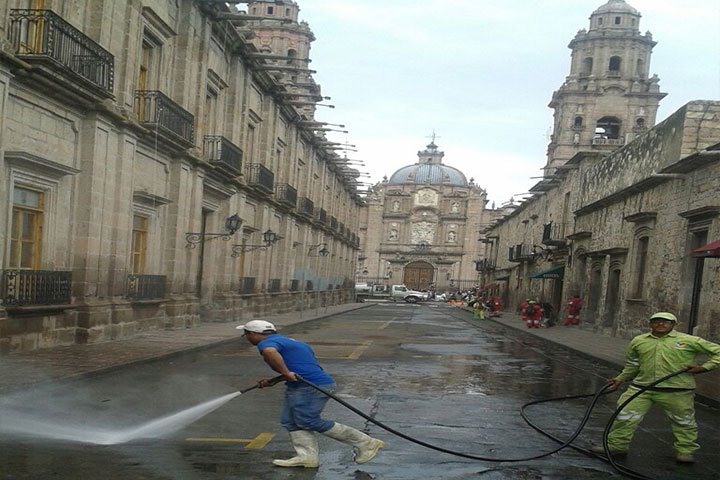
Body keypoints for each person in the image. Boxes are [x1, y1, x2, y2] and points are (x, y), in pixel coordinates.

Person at [238, 320, 384, 468]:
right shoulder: (292, 342)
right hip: (306, 384)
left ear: (253, 334)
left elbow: (270, 352)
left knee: (307, 420)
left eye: (246, 335)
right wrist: (274, 380)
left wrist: (285, 373)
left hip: (310, 386)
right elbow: (300, 368)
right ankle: (306, 457)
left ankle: (366, 443)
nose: (246, 338)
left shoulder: (266, 344)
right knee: (290, 420)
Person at [590, 312, 720, 464]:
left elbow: (717, 352)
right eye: (656, 321)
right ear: (650, 324)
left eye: (666, 321)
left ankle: (686, 451)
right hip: (642, 388)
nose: (661, 324)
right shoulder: (639, 341)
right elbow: (633, 364)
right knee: (624, 416)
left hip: (676, 389)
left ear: (673, 324)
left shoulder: (689, 340)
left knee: (683, 422)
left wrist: (704, 367)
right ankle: (616, 446)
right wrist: (620, 379)